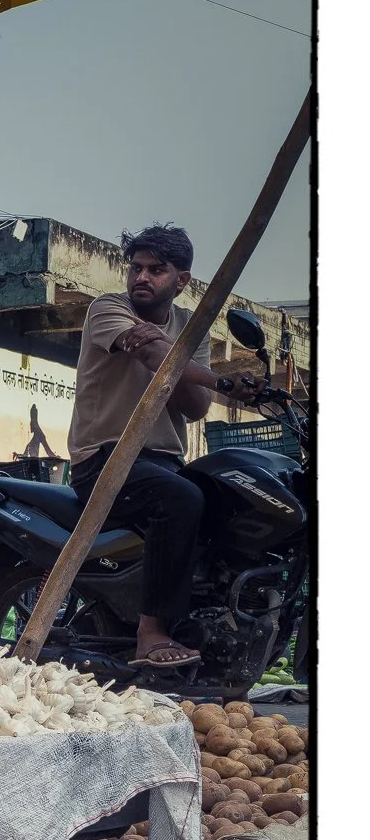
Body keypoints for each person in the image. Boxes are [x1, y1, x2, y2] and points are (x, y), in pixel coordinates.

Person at [69, 224, 244, 670]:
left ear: (181, 280)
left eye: (156, 270)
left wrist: (179, 360)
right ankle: (151, 633)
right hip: (104, 458)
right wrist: (226, 383)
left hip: (162, 461)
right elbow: (148, 355)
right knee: (182, 499)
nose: (141, 277)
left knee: (226, 498)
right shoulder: (108, 308)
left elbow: (195, 405)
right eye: (137, 268)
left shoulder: (191, 327)